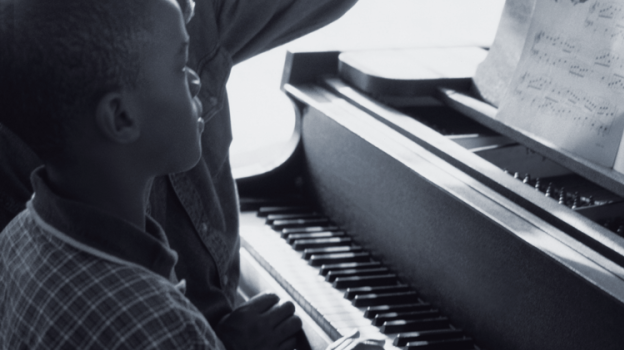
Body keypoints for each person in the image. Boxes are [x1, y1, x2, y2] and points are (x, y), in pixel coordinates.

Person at [0, 0, 359, 349]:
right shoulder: (165, 326)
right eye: (180, 64)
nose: (197, 80)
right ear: (121, 117)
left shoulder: (16, 239)